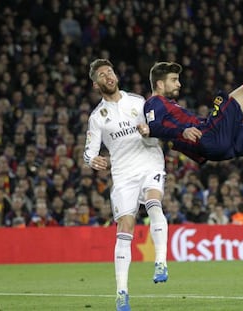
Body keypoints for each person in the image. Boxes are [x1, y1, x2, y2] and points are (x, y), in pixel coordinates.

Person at [83, 59, 169, 311]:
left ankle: (161, 262)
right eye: (102, 75)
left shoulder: (138, 102)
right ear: (96, 84)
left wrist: (149, 130)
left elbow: (157, 127)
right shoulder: (97, 117)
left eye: (110, 71)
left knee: (154, 203)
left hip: (150, 161)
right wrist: (93, 160)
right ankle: (121, 293)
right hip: (123, 175)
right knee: (126, 226)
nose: (108, 76)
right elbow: (88, 152)